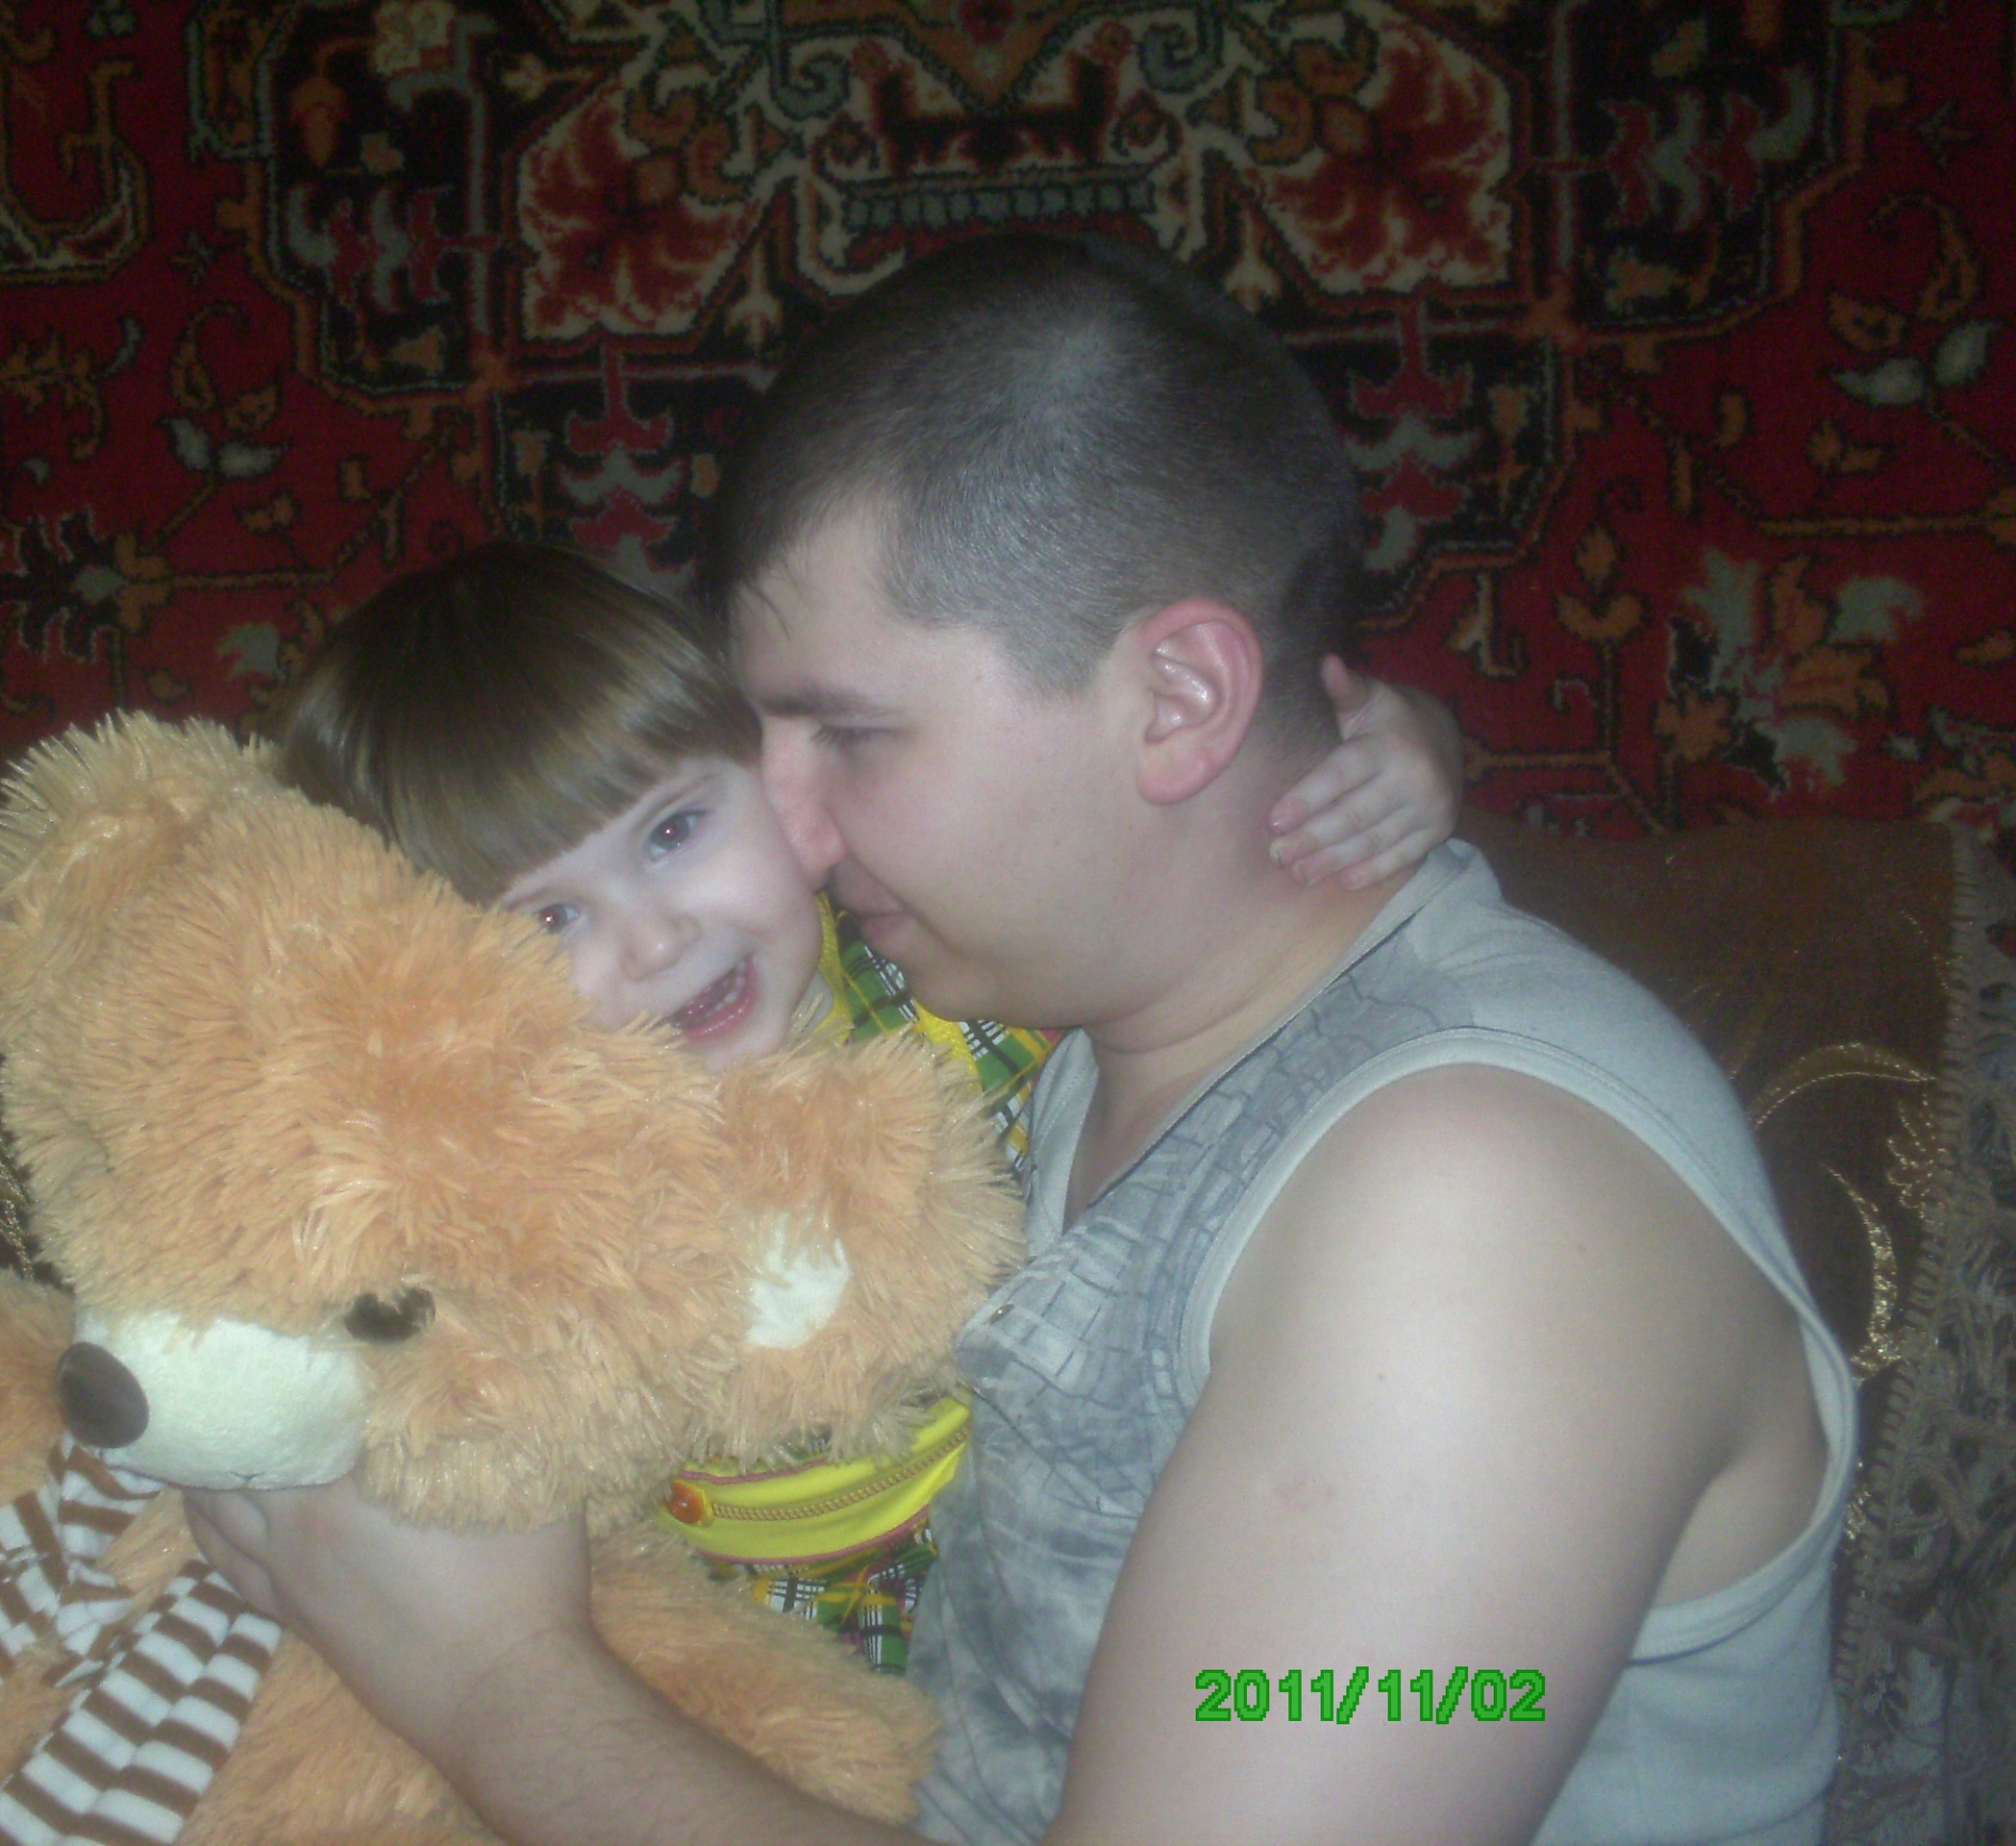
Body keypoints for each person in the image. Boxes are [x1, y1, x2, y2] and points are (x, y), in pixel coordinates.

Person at [191, 232, 1854, 1846]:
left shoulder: (1481, 1210)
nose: (790, 827)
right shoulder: (1069, 1027)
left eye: (851, 735)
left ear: (1180, 701)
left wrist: (491, 1680)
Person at [261, 538, 1463, 1673]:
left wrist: (1408, 754)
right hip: (743, 1624)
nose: (658, 937)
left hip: (1074, 1540)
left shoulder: (948, 961)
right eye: (549, 919)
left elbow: (1189, 857)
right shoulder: (502, 1169)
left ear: (782, 778)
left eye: (673, 831)